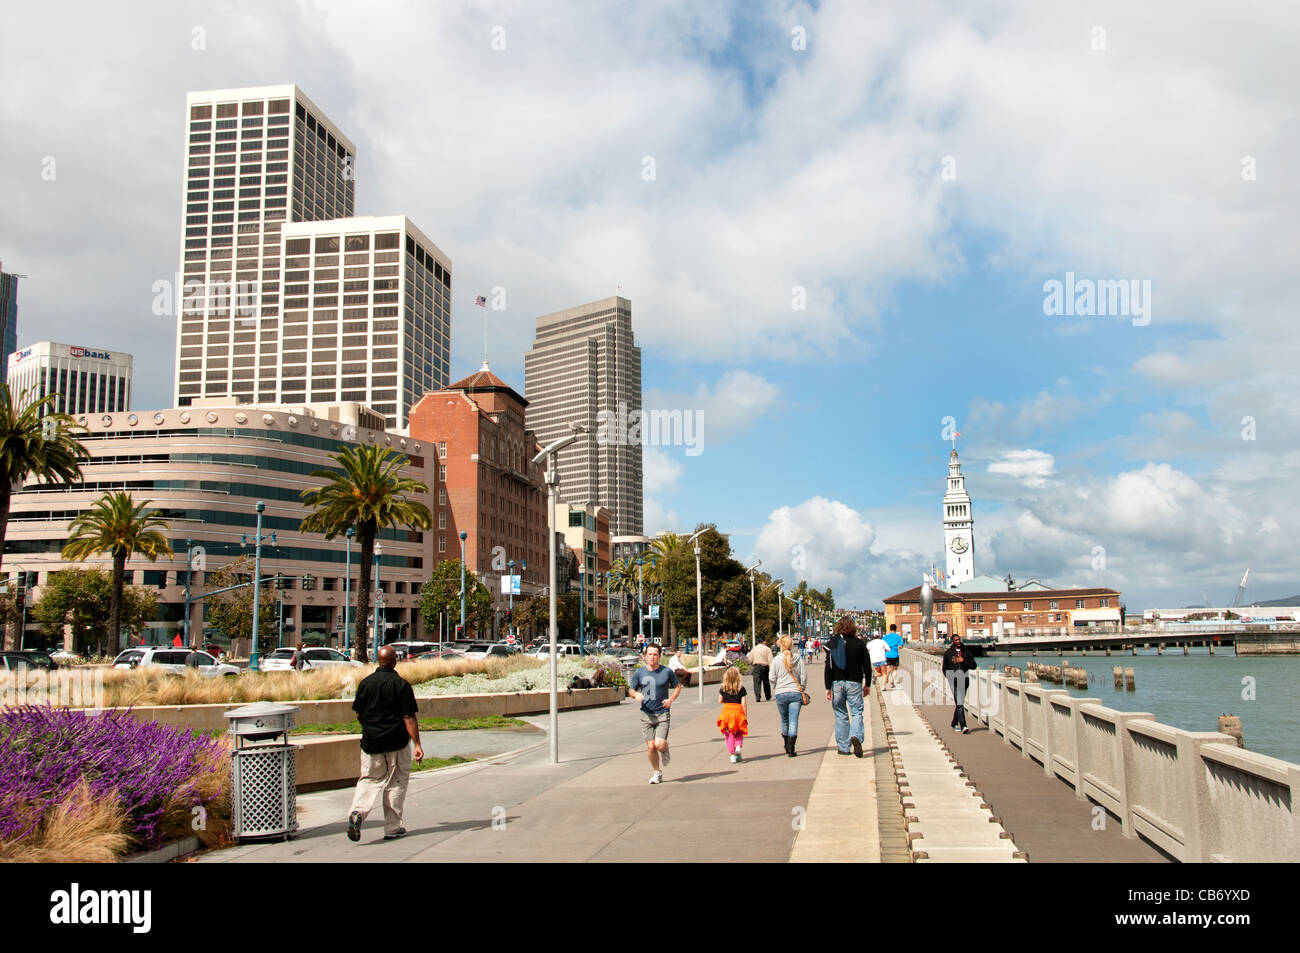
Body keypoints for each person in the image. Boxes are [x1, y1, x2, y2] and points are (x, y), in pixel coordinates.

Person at [346, 645, 424, 842]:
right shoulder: (401, 685)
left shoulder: (365, 684)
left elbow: (359, 714)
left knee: (369, 779)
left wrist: (370, 729)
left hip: (371, 742)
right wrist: (417, 744)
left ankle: (357, 812)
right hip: (396, 741)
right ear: (394, 662)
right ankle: (392, 827)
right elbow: (409, 717)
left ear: (378, 661)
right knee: (395, 782)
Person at [627, 643, 681, 783]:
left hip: (662, 713)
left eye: (655, 654)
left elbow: (677, 687)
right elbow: (631, 690)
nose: (652, 657)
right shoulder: (639, 673)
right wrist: (636, 695)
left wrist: (671, 700)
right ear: (645, 656)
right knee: (651, 746)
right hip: (646, 714)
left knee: (659, 745)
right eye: (650, 654)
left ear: (659, 656)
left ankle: (665, 748)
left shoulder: (667, 671)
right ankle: (657, 772)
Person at [824, 615, 871, 757]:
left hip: (837, 683)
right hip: (854, 682)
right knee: (856, 711)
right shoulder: (859, 644)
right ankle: (856, 735)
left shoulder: (833, 644)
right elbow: (867, 666)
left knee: (840, 714)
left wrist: (828, 687)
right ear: (853, 627)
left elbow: (828, 667)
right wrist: (867, 684)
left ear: (838, 627)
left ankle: (844, 747)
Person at [769, 634, 808, 757]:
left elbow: (771, 678)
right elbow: (803, 676)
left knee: (784, 719)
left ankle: (786, 743)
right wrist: (802, 688)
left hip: (780, 693)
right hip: (795, 692)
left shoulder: (776, 660)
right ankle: (791, 748)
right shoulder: (798, 658)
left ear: (780, 645)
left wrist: (776, 687)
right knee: (793, 720)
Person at [942, 634, 977, 733]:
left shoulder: (966, 652)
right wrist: (949, 677)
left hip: (964, 680)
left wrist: (963, 660)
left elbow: (973, 665)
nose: (958, 641)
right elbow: (944, 668)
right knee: (960, 703)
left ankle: (954, 723)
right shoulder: (948, 653)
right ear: (952, 641)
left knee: (959, 703)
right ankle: (963, 726)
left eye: (959, 639)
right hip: (954, 681)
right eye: (956, 640)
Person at [716, 665, 748, 763]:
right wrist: (744, 715)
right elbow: (744, 703)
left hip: (727, 712)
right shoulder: (741, 689)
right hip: (738, 711)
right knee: (739, 732)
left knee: (729, 734)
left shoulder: (723, 688)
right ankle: (738, 746)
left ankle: (732, 754)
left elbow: (720, 700)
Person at [747, 635, 773, 703]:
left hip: (756, 666)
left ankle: (758, 697)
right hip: (765, 666)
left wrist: (752, 663)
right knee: (766, 682)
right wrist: (771, 668)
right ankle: (768, 696)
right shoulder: (768, 649)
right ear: (764, 641)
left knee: (756, 682)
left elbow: (750, 659)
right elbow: (770, 660)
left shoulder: (754, 649)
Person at [883, 624, 904, 689]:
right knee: (895, 670)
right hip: (895, 655)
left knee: (888, 670)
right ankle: (892, 683)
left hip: (887, 655)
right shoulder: (898, 637)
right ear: (896, 629)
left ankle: (884, 683)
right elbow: (900, 647)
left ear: (890, 629)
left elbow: (882, 645)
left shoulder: (886, 637)